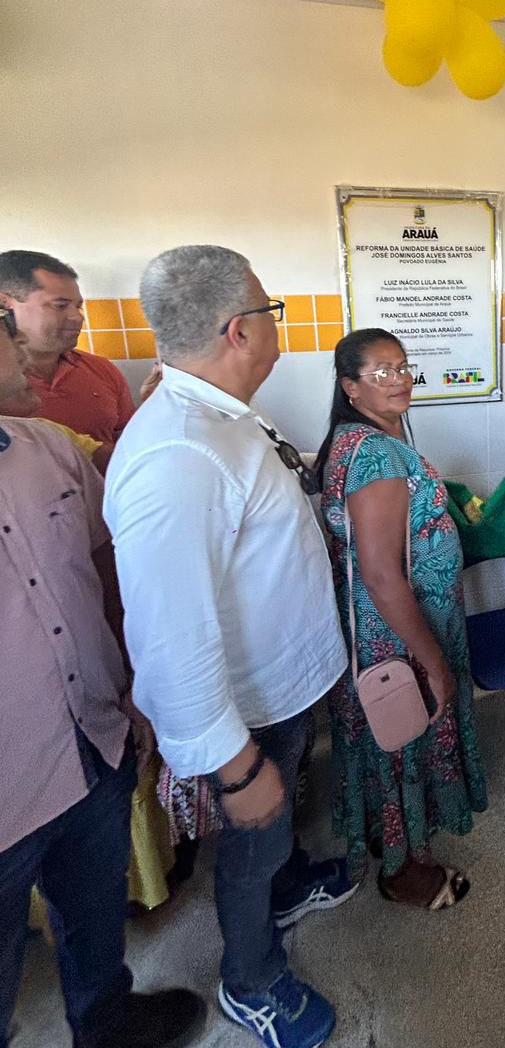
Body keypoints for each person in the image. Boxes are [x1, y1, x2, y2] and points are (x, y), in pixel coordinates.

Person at [104, 245, 353, 1048]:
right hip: (245, 711)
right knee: (253, 839)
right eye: (271, 310)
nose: (278, 324)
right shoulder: (178, 454)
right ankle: (252, 981)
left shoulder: (226, 414)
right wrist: (234, 767)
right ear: (238, 330)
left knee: (278, 830)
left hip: (282, 685)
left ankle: (288, 883)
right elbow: (168, 637)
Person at [0, 303, 203, 1048]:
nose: (26, 353)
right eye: (8, 341)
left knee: (92, 915)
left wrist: (132, 673)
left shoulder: (48, 450)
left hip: (91, 738)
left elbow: (106, 560)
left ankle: (108, 1024)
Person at [318, 328, 488, 909]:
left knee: (388, 736)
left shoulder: (357, 439)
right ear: (350, 387)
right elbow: (382, 575)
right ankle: (405, 869)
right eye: (380, 372)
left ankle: (390, 841)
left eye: (402, 366)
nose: (398, 379)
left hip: (387, 625)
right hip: (399, 632)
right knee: (406, 736)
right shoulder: (375, 454)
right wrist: (433, 660)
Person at [0, 251, 135, 446]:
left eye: (78, 307)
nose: (77, 317)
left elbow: (129, 444)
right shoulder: (5, 383)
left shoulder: (101, 370)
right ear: (6, 304)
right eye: (60, 306)